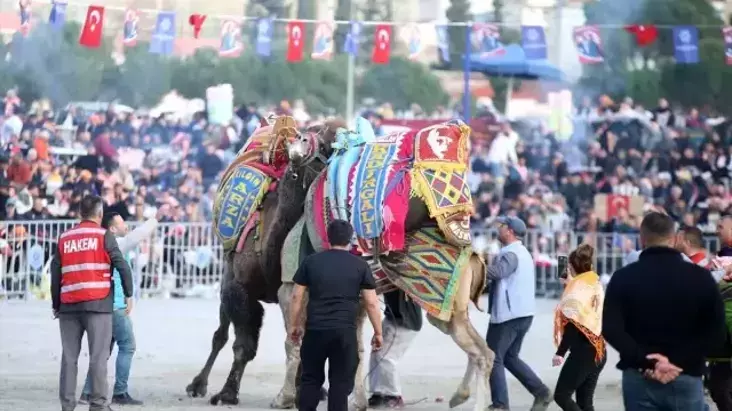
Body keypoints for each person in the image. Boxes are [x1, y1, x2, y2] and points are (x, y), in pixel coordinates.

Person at [603, 212, 726, 411]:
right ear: (675, 238)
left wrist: (646, 361)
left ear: (642, 238)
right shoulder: (701, 278)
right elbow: (716, 333)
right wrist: (678, 362)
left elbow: (610, 327)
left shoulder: (623, 277)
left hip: (639, 375)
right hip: (685, 374)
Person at [288, 219, 384, 411]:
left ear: (327, 238)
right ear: (350, 239)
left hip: (315, 331)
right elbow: (372, 303)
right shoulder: (360, 265)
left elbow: (296, 296)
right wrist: (378, 332)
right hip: (344, 334)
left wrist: (294, 325)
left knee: (310, 380)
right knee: (340, 383)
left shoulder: (311, 261)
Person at [51, 195, 134, 411]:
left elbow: (55, 273)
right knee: (98, 357)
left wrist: (56, 304)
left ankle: (67, 406)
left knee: (69, 358)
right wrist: (129, 294)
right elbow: (122, 265)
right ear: (99, 214)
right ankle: (98, 405)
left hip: (69, 305)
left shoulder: (65, 237)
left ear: (79, 214)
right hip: (98, 306)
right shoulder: (103, 235)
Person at [79, 209, 164, 405]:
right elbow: (137, 236)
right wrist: (155, 219)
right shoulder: (115, 244)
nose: (126, 225)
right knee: (127, 345)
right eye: (122, 223)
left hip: (100, 305)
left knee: (102, 351)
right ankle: (120, 392)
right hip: (115, 306)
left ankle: (87, 392)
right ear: (112, 229)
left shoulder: (98, 245)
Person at [485, 216, 552, 411]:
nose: (499, 228)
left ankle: (500, 405)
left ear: (510, 231)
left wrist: (474, 266)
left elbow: (498, 272)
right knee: (510, 357)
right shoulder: (522, 252)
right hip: (523, 314)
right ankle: (541, 392)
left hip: (508, 315)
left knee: (493, 357)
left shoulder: (511, 253)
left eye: (502, 226)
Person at [552, 244, 606, 411]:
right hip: (599, 349)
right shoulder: (594, 282)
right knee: (585, 402)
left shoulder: (575, 292)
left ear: (571, 267)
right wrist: (570, 284)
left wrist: (560, 352)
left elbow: (574, 325)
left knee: (561, 395)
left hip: (584, 351)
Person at [367, 290, 422, 408]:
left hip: (405, 321)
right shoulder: (388, 274)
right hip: (391, 318)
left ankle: (393, 395)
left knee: (387, 357)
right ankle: (378, 393)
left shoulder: (403, 276)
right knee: (376, 353)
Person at [707, 216, 732, 411]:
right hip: (721, 348)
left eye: (721, 227)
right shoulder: (717, 260)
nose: (717, 231)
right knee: (719, 390)